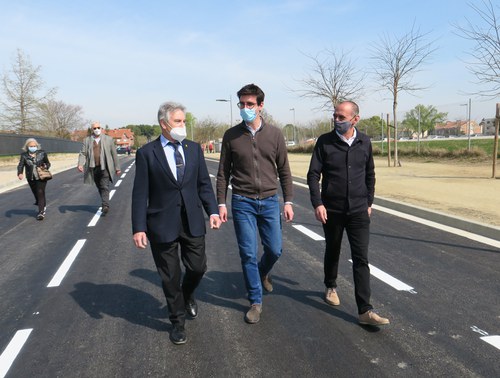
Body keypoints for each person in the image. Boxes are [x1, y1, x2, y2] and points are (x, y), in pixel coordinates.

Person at [132, 101, 221, 345]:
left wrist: (212, 211)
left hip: (192, 220)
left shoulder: (193, 149)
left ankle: (188, 294)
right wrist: (139, 227)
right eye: (178, 121)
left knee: (197, 267)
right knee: (170, 276)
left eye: (184, 121)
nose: (183, 125)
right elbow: (140, 193)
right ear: (164, 124)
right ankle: (177, 322)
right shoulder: (147, 153)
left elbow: (203, 183)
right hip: (161, 223)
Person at [307, 100, 390, 326]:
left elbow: (370, 174)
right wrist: (318, 203)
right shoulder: (325, 142)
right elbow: (313, 175)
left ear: (355, 119)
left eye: (341, 117)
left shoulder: (364, 142)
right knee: (333, 249)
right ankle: (331, 286)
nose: (336, 120)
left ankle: (365, 310)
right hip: (332, 210)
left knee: (361, 258)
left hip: (359, 211)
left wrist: (369, 202)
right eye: (334, 116)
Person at [216, 83, 294, 324]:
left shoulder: (275, 134)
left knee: (275, 250)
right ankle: (255, 301)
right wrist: (221, 204)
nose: (245, 108)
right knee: (248, 253)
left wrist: (288, 201)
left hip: (270, 201)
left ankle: (262, 272)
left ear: (261, 106)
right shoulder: (231, 136)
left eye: (250, 104)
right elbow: (222, 173)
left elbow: (284, 170)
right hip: (242, 202)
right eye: (242, 104)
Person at [77, 122, 121, 214]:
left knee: (104, 186)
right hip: (93, 167)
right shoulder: (87, 140)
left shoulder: (108, 139)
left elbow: (114, 154)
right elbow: (83, 153)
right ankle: (105, 201)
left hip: (105, 167)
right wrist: (80, 164)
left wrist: (117, 167)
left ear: (101, 128)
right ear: (92, 129)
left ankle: (105, 205)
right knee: (99, 186)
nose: (97, 129)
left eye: (98, 127)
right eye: (95, 128)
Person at [17, 138, 51, 220]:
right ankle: (42, 204)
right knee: (36, 193)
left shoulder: (42, 153)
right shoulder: (24, 155)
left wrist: (45, 166)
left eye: (34, 146)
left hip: (41, 176)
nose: (33, 147)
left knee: (40, 191)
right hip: (31, 177)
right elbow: (21, 165)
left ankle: (41, 212)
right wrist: (20, 173)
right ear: (27, 147)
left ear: (37, 146)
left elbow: (48, 163)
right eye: (31, 146)